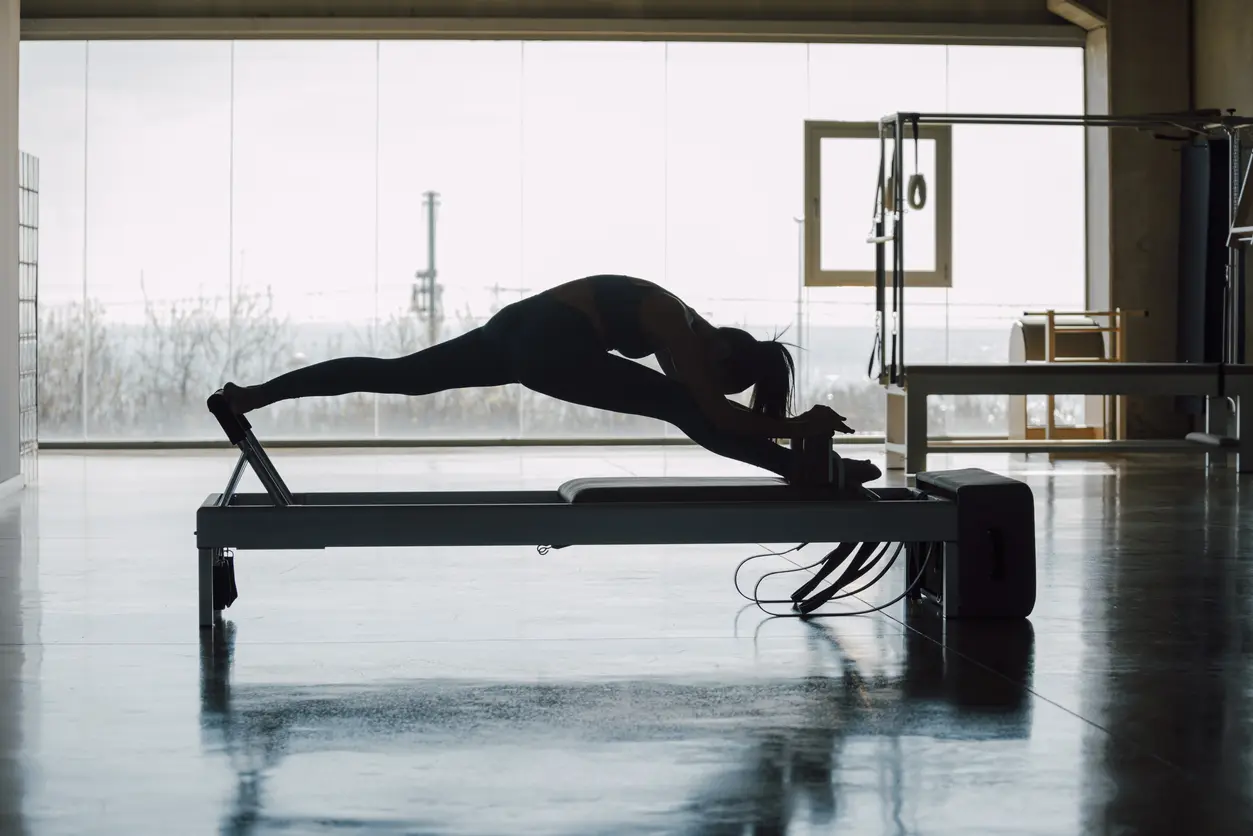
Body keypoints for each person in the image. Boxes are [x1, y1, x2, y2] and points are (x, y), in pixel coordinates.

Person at [218, 274, 881, 486]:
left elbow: (718, 418)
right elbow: (716, 418)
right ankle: (815, 473)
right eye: (724, 380)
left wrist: (788, 434)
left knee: (399, 377)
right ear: (728, 359)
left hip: (517, 329)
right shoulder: (680, 333)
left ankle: (247, 397)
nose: (709, 383)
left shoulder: (681, 336)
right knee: (685, 409)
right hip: (549, 340)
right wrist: (798, 435)